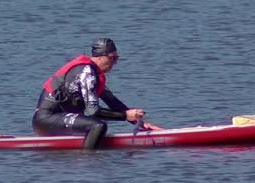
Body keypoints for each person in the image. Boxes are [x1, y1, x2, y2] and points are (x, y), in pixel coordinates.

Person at [33, 37, 162, 150]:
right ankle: (88, 159)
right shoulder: (87, 73)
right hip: (46, 119)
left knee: (95, 123)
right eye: (112, 58)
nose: (115, 63)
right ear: (99, 57)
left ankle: (84, 146)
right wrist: (125, 115)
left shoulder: (94, 74)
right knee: (98, 125)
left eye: (117, 58)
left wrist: (138, 122)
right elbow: (93, 111)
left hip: (61, 117)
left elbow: (111, 101)